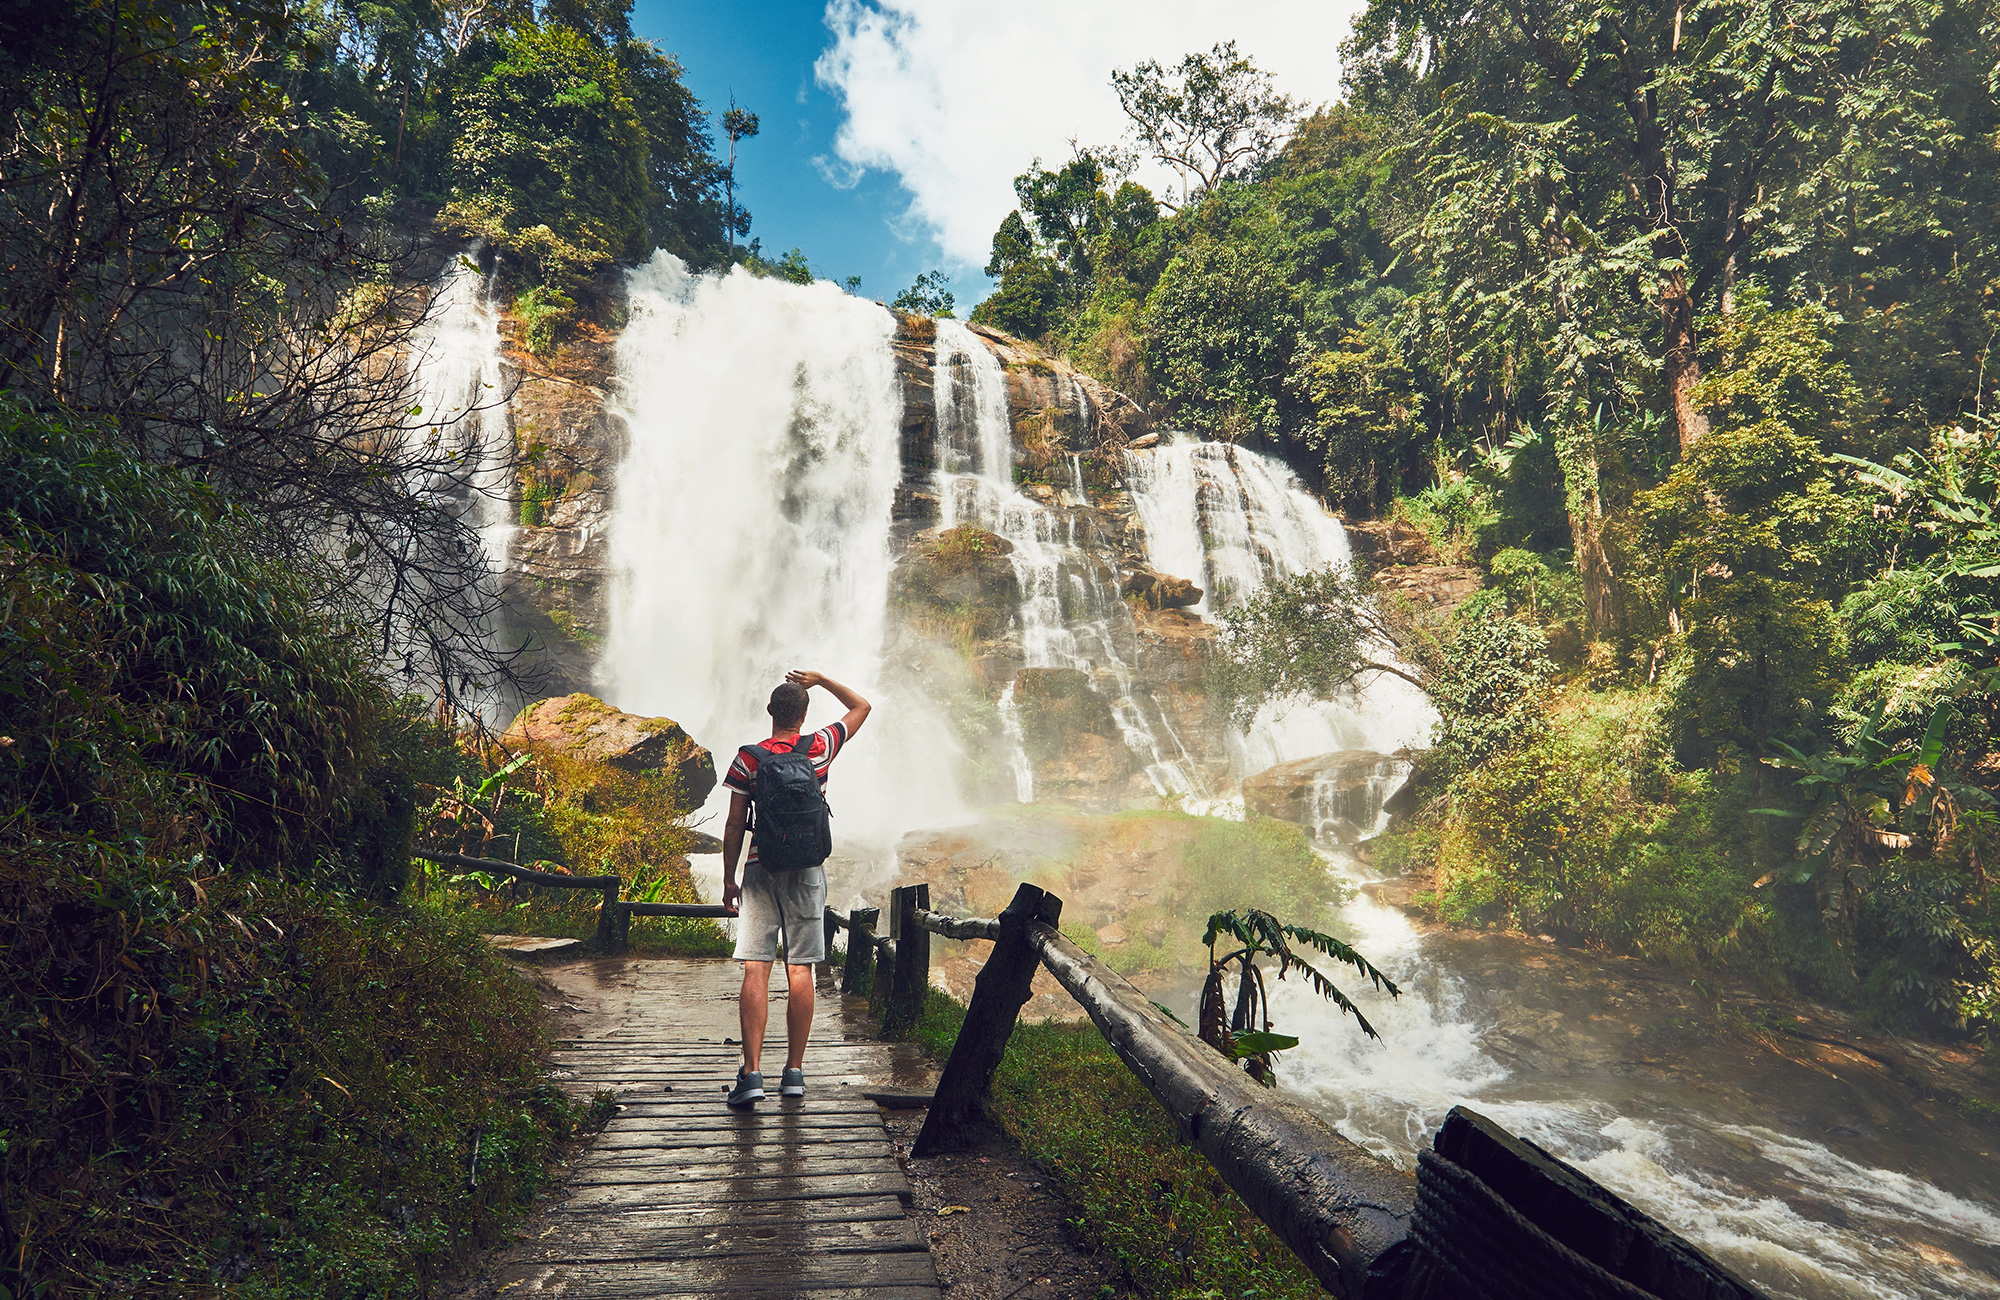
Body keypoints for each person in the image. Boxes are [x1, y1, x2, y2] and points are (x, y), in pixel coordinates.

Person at [721, 668, 870, 1108]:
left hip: (760, 867)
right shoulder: (820, 747)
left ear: (770, 711)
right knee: (800, 967)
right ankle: (794, 1074)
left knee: (756, 968)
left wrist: (729, 879)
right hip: (806, 869)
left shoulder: (748, 757)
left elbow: (733, 824)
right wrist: (821, 680)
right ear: (804, 715)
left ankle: (751, 1075)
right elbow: (862, 707)